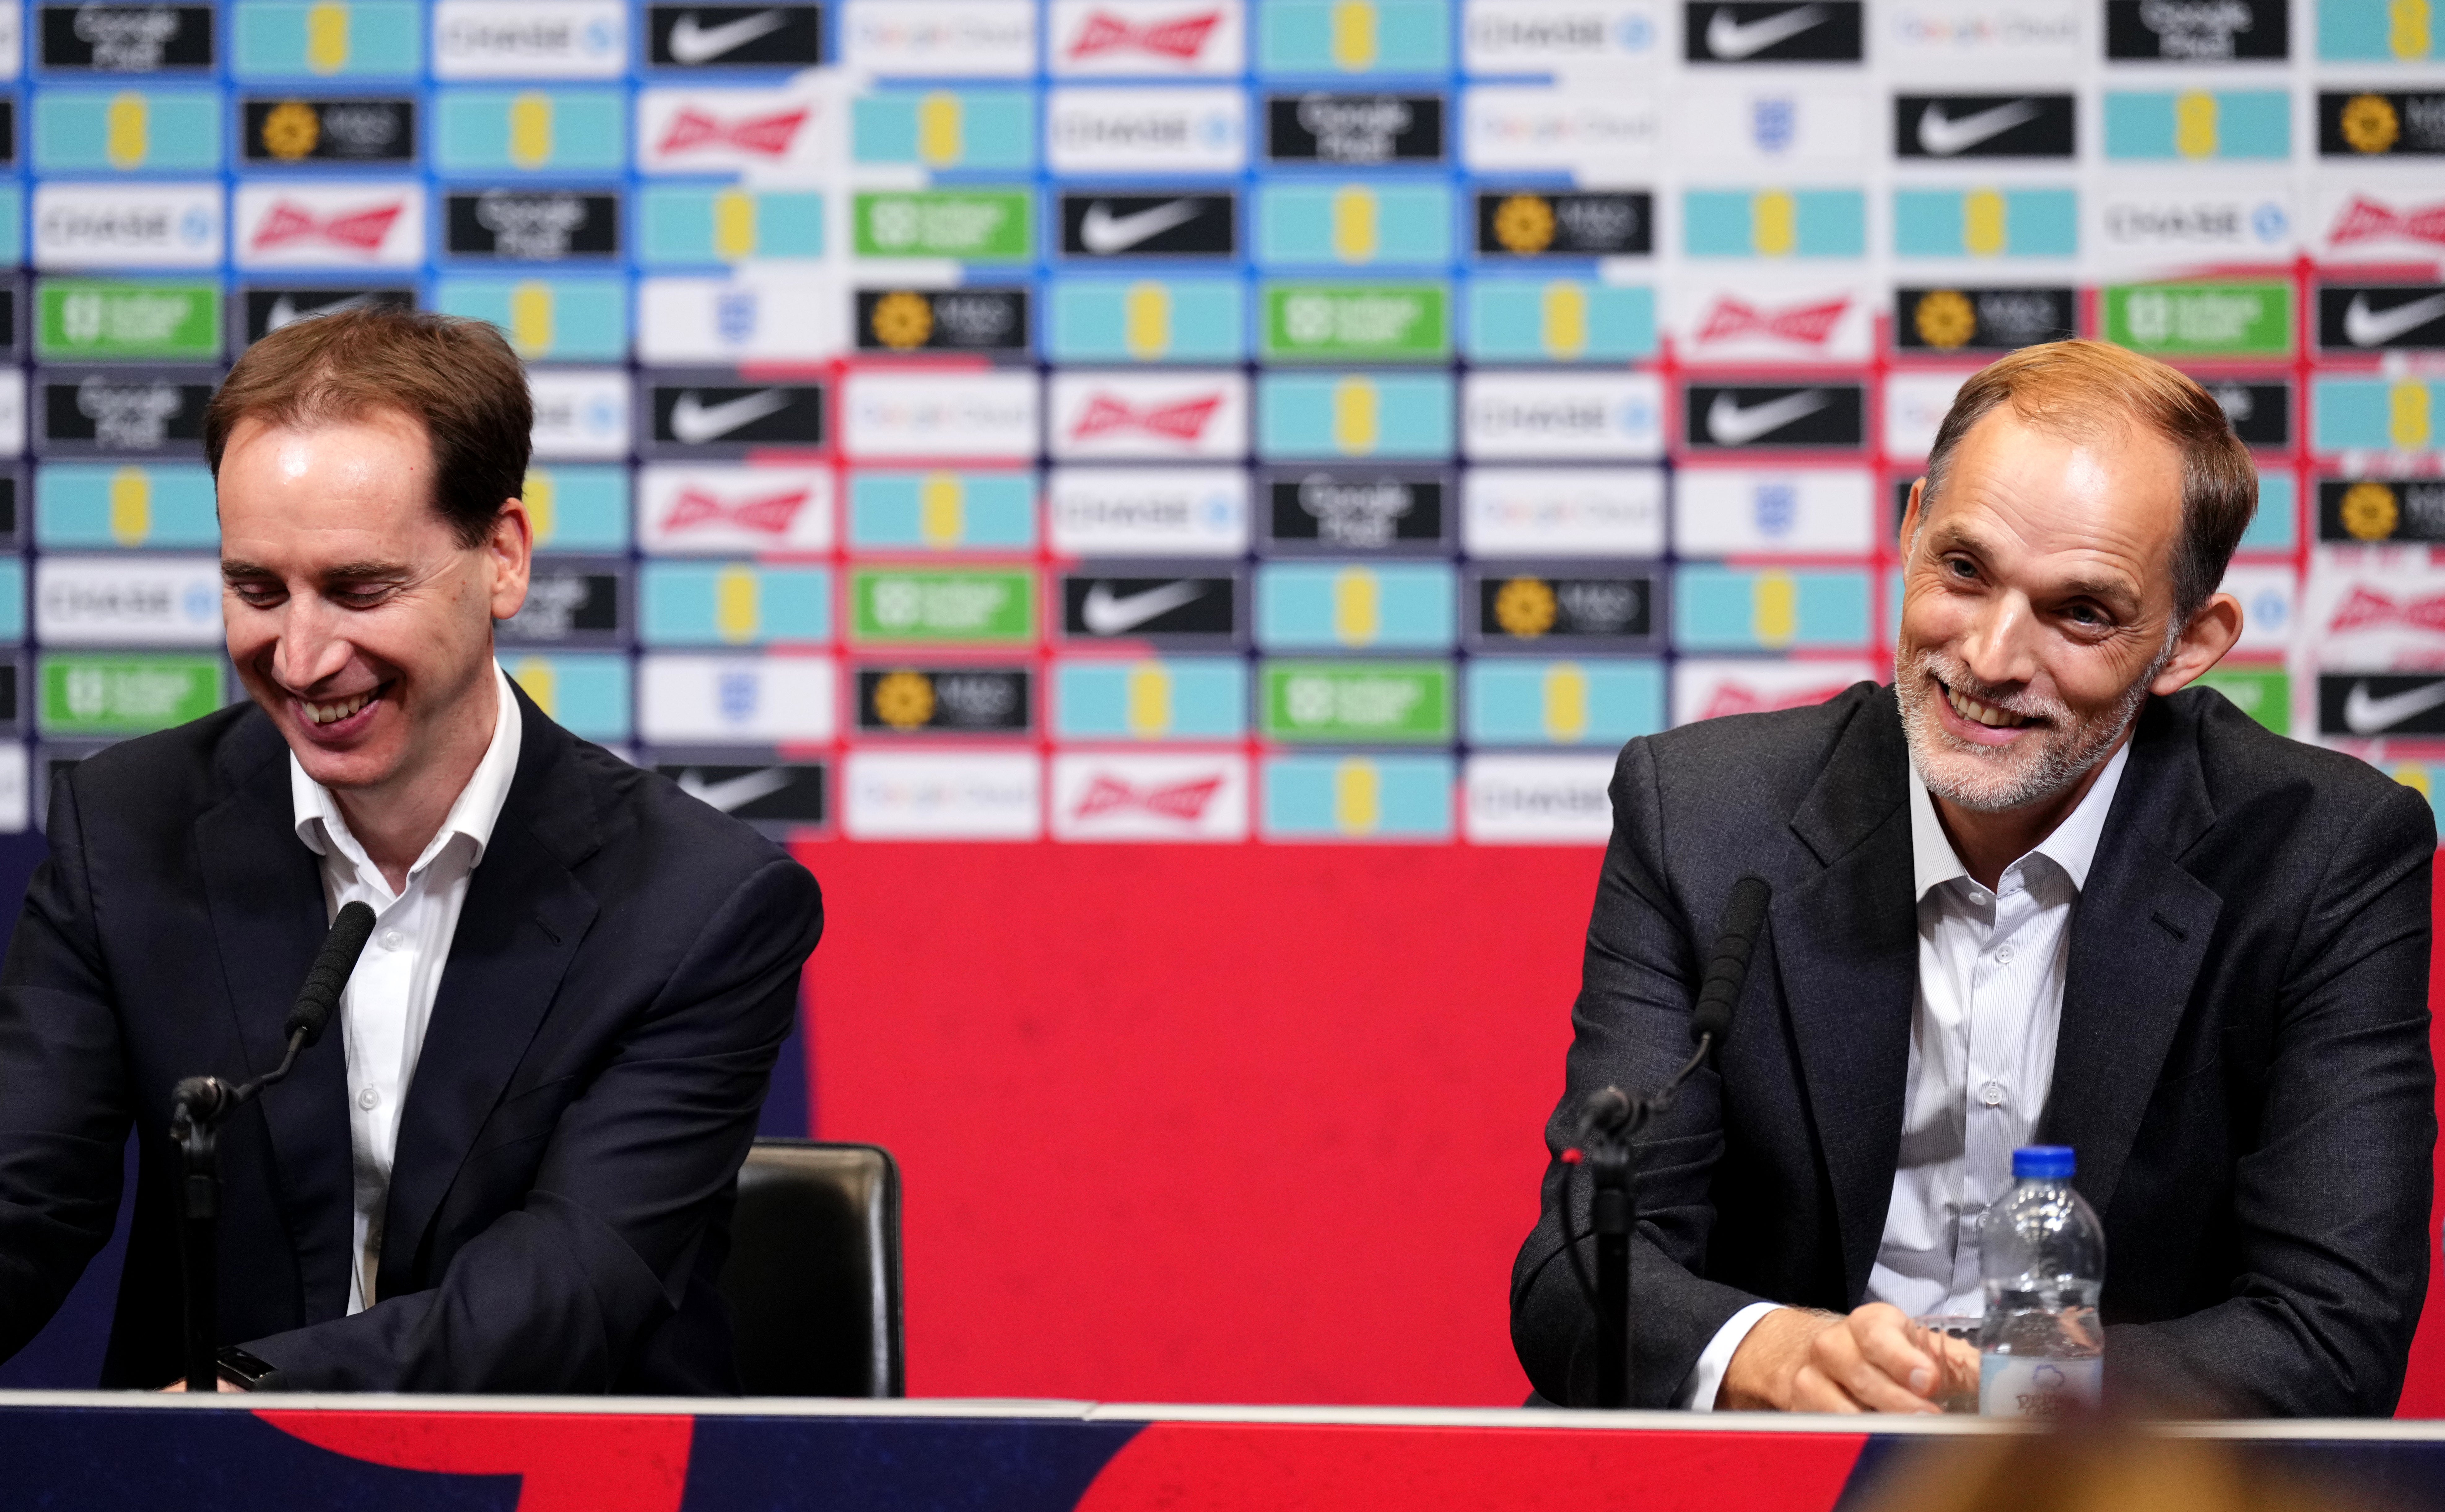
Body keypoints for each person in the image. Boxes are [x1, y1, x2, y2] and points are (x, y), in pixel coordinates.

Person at [1510, 340, 2436, 1416]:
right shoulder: (1704, 813)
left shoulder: (2325, 856)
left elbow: (2331, 1333)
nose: (1992, 658)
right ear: (1911, 533)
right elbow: (1580, 1271)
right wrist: (1773, 1352)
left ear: (2189, 644)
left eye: (2080, 611)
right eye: (1964, 570)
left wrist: (2001, 1394)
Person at [0, 308, 823, 1392]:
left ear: (502, 560)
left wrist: (241, 1406)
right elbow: (25, 1198)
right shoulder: (125, 827)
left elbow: (568, 1286)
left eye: (359, 588)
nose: (300, 655)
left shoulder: (700, 901)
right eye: (258, 589)